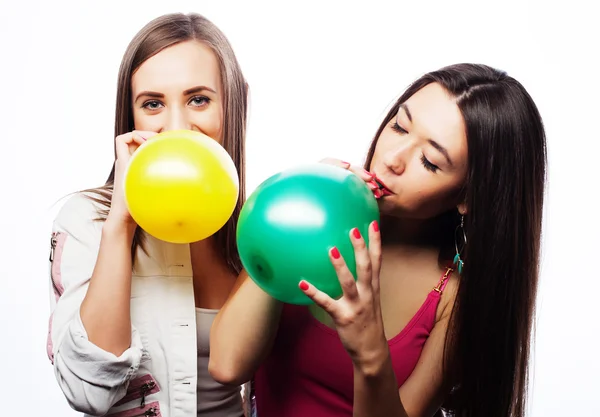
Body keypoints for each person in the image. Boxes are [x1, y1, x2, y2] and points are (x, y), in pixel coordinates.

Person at [209, 63, 547, 417]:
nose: (391, 159)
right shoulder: (311, 210)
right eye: (399, 126)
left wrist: (369, 350)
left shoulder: (453, 299)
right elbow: (228, 366)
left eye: (430, 161)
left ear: (468, 196)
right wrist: (298, 204)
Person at [46, 12, 249, 417]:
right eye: (153, 104)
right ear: (131, 115)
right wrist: (120, 226)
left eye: (199, 100)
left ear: (233, 105)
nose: (175, 127)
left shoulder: (253, 229)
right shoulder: (86, 221)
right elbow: (87, 393)